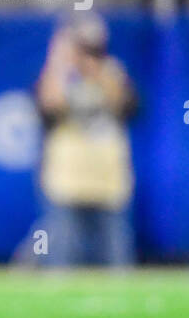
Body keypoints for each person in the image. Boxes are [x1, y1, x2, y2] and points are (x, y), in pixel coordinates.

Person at [35, 16, 137, 268]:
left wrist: (96, 69)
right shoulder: (58, 75)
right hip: (67, 183)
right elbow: (49, 106)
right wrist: (59, 62)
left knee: (116, 262)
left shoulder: (113, 72)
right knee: (62, 261)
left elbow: (124, 105)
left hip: (108, 183)